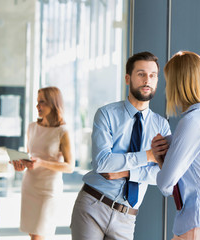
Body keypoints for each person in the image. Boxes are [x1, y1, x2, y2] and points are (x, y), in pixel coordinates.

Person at [70, 51, 171, 240]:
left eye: (152, 75)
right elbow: (102, 163)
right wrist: (148, 156)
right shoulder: (106, 114)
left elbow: (164, 174)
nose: (147, 80)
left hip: (127, 217)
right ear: (128, 78)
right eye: (141, 74)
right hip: (93, 206)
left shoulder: (162, 126)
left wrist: (127, 172)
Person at [151, 51, 200, 240]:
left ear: (177, 83)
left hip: (195, 226)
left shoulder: (192, 123)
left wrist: (162, 163)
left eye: (168, 81)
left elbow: (165, 183)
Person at [11, 86, 74, 240]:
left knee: (38, 235)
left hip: (48, 190)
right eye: (37, 102)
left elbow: (70, 166)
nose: (38, 106)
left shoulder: (62, 131)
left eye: (42, 102)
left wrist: (42, 163)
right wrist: (20, 164)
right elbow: (31, 156)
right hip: (30, 186)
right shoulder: (32, 127)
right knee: (33, 234)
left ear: (53, 104)